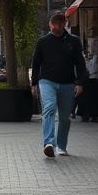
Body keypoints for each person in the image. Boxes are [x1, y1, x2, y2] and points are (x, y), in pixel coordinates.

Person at [31, 12, 89, 158]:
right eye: (53, 24)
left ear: (64, 24)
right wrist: (34, 83)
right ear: (50, 24)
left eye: (59, 24)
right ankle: (49, 143)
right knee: (49, 109)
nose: (55, 27)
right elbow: (36, 63)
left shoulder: (74, 42)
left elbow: (80, 63)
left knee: (64, 116)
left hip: (67, 83)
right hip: (47, 81)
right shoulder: (43, 42)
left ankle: (61, 146)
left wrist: (80, 82)